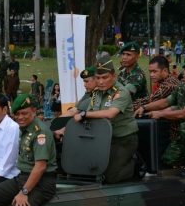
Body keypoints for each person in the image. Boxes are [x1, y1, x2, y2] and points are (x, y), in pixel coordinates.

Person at [57, 55, 145, 184]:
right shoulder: (96, 93)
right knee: (88, 169)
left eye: (105, 77)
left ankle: (135, 165)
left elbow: (110, 114)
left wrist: (83, 114)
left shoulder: (121, 92)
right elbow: (88, 116)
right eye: (97, 78)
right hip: (101, 139)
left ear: (113, 76)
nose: (101, 82)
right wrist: (65, 130)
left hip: (123, 140)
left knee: (109, 176)